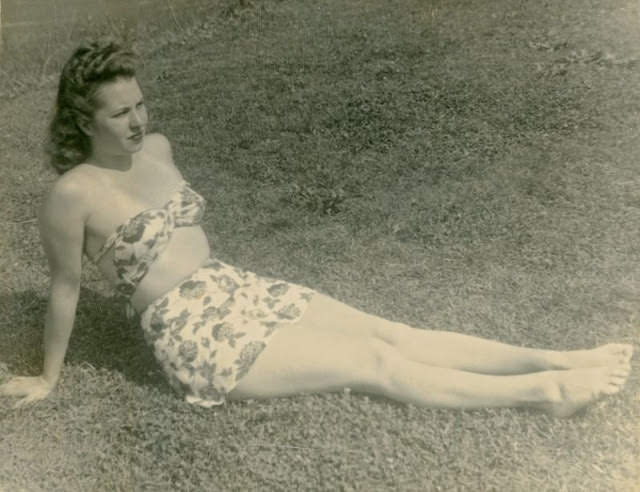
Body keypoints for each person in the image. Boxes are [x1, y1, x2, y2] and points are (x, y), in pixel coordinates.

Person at [0, 40, 633, 417]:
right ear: (85, 120)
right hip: (193, 332)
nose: (137, 121)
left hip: (239, 289)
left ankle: (560, 357)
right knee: (371, 360)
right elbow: (64, 288)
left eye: (140, 104)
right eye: (120, 113)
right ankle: (547, 392)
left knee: (394, 331)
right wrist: (49, 377)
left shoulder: (158, 148)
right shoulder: (72, 194)